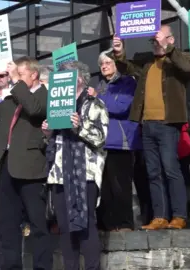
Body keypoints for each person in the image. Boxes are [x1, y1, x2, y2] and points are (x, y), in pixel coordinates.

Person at [113, 25, 190, 230]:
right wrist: (119, 52)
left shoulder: (181, 58)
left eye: (159, 39)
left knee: (171, 169)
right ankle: (160, 216)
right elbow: (128, 68)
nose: (155, 43)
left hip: (168, 124)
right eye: (154, 40)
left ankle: (179, 215)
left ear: (171, 39)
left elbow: (186, 68)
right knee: (153, 172)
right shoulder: (148, 64)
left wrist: (167, 47)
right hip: (147, 125)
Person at [0, 57, 53, 270]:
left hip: (31, 169)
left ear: (34, 75)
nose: (13, 78)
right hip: (8, 167)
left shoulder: (44, 95)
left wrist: (17, 82)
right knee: (7, 227)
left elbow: (35, 110)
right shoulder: (13, 98)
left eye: (20, 74)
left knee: (38, 225)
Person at [43, 61, 108, 269]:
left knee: (85, 224)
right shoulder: (58, 106)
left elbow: (101, 137)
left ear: (78, 79)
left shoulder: (94, 104)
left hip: (85, 173)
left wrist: (79, 126)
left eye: (65, 75)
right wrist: (47, 133)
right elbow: (52, 143)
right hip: (60, 174)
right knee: (64, 228)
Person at [95, 49, 140, 232]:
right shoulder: (100, 86)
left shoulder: (127, 83)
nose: (104, 66)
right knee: (104, 187)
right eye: (102, 64)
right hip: (101, 143)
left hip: (120, 142)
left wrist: (97, 97)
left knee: (120, 185)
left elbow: (120, 107)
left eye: (108, 63)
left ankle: (124, 223)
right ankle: (107, 224)